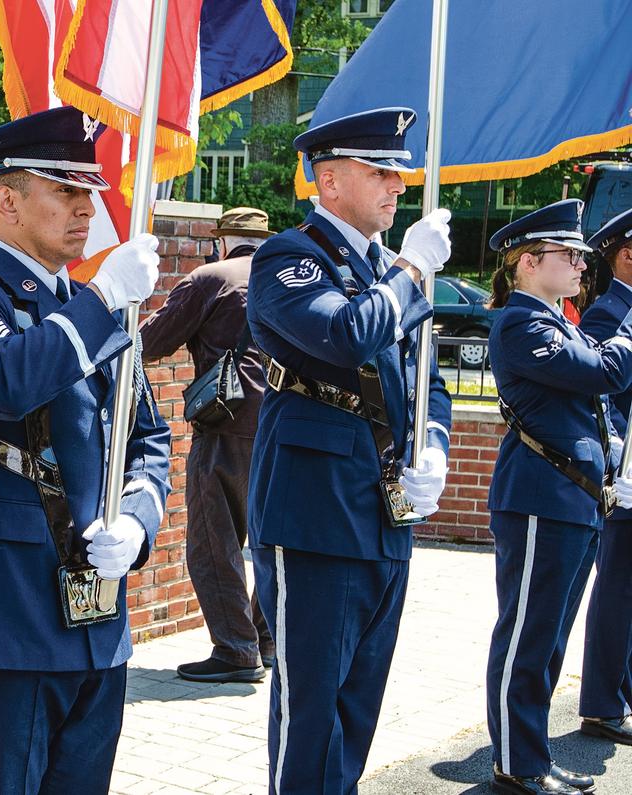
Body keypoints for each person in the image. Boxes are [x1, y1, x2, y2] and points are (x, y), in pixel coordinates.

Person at [0, 105, 171, 794]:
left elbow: (147, 437)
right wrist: (99, 300)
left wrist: (137, 520)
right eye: (64, 190)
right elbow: (3, 382)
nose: (85, 207)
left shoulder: (101, 310)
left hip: (97, 612)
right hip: (4, 611)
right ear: (7, 199)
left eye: (87, 192)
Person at [245, 107, 454, 795]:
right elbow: (344, 336)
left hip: (383, 509)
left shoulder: (386, 270)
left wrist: (433, 443)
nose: (396, 185)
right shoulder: (289, 256)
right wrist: (412, 269)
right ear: (328, 179)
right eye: (379, 170)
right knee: (312, 711)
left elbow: (430, 380)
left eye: (398, 171)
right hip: (315, 509)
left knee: (358, 706)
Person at [483, 199, 632, 795]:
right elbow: (603, 374)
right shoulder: (521, 322)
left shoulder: (556, 319)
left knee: (548, 642)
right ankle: (515, 765)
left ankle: (533, 756)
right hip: (541, 497)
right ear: (526, 262)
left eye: (579, 254)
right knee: (527, 636)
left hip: (568, 499)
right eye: (567, 255)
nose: (580, 264)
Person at [140, 206, 275, 683]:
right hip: (286, 425)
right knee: (272, 543)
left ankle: (237, 650)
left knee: (214, 541)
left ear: (223, 241)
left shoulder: (211, 276)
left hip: (228, 422)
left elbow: (152, 342)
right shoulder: (291, 274)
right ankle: (266, 639)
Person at [579, 207, 632, 746]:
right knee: (618, 588)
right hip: (624, 477)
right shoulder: (609, 315)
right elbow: (601, 398)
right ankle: (600, 702)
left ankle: (619, 691)